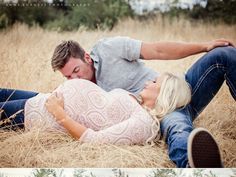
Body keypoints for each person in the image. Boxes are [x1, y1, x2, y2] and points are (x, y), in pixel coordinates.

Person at [50, 37, 236, 168]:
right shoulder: (84, 92)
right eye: (68, 77)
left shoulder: (108, 48)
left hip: (176, 88)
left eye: (76, 70)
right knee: (178, 129)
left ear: (87, 58)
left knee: (224, 54)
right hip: (159, 112)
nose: (74, 79)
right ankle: (193, 165)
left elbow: (158, 50)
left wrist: (204, 46)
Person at [0, 72, 191, 146]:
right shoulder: (136, 102)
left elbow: (95, 140)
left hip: (40, 115)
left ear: (164, 94)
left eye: (155, 82)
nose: (149, 81)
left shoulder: (144, 123)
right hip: (42, 98)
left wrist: (58, 113)